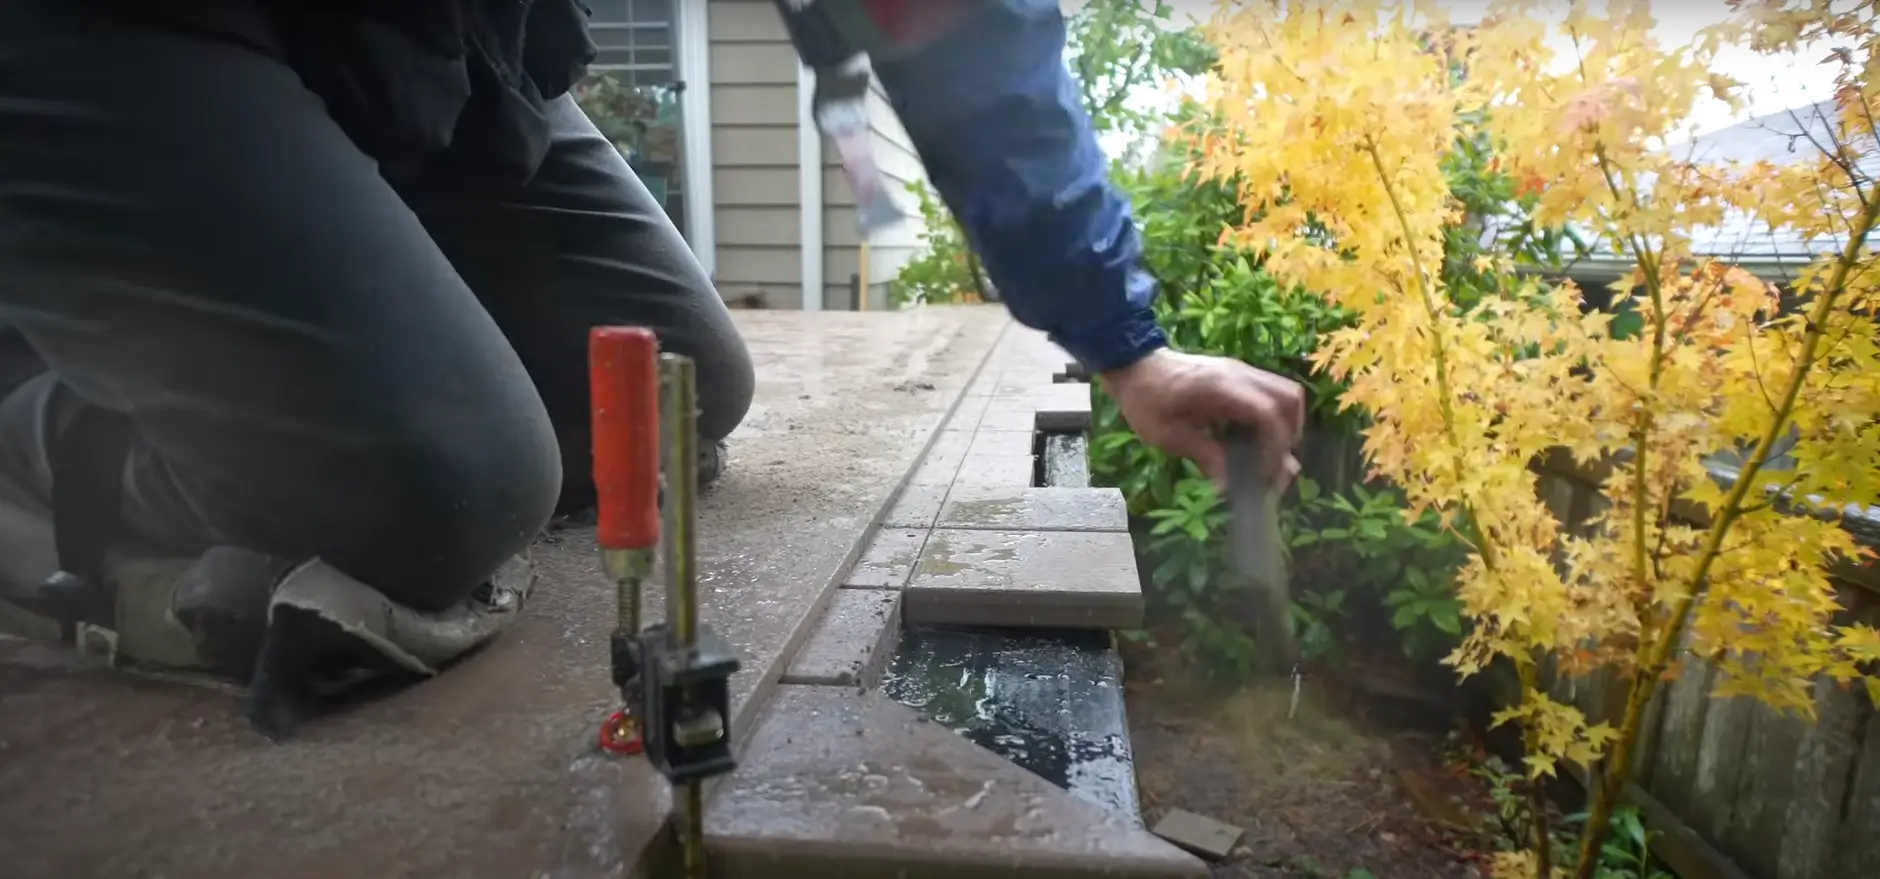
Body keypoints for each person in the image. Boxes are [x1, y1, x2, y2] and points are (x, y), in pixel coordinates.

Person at [0, 0, 1302, 725]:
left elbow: (950, 22)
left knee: (679, 388)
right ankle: (60, 460)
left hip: (425, 34)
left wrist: (1122, 342)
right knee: (441, 494)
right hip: (127, 27)